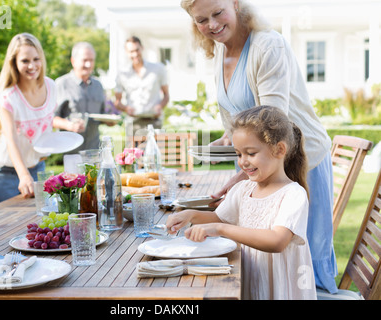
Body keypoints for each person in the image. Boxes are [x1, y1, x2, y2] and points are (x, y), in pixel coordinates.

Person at [180, 0, 337, 293]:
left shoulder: (268, 46)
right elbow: (238, 118)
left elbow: (273, 121)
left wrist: (242, 176)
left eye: (218, 13)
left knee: (305, 261)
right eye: (202, 20)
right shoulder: (220, 49)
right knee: (264, 261)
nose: (212, 25)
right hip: (264, 165)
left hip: (298, 162)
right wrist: (228, 140)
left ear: (236, 3)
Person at [167, 106, 317, 300]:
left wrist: (220, 229)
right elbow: (220, 218)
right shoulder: (243, 189)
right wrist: (190, 215)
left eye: (251, 153)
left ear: (279, 149)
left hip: (280, 289)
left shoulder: (293, 194)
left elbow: (277, 241)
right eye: (238, 154)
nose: (243, 162)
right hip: (249, 277)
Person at [0, 33, 56, 205]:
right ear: (14, 63)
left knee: (40, 223)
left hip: (37, 167)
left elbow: (44, 121)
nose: (32, 66)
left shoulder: (51, 86)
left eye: (36, 59)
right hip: (6, 173)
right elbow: (11, 140)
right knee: (7, 228)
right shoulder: (7, 98)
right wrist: (23, 175)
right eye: (25, 61)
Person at [53, 42, 108, 152]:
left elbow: (102, 116)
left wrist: (110, 120)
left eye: (91, 60)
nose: (88, 64)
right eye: (85, 60)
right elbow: (51, 118)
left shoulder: (98, 86)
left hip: (94, 150)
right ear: (73, 61)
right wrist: (69, 125)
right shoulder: (61, 84)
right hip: (71, 150)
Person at [114, 36, 170, 139]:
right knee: (133, 154)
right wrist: (126, 108)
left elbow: (166, 95)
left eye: (137, 50)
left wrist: (160, 106)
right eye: (131, 51)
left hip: (154, 122)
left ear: (142, 48)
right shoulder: (122, 74)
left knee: (154, 153)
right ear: (127, 52)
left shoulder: (158, 69)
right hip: (133, 123)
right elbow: (117, 102)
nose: (135, 54)